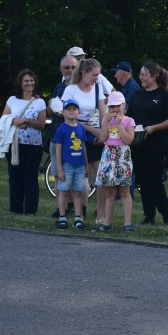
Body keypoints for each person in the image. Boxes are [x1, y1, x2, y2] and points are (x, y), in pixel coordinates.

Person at [128, 61, 168, 225]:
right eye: (141, 75)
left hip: (158, 144)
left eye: (144, 74)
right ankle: (148, 215)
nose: (141, 78)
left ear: (154, 76)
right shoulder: (137, 95)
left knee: (155, 179)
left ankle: (166, 214)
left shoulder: (164, 96)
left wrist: (154, 128)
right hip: (138, 144)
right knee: (143, 180)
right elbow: (129, 117)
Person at [62, 58, 107, 224]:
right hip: (76, 136)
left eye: (98, 75)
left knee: (101, 176)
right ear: (84, 73)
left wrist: (102, 133)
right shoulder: (71, 90)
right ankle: (79, 214)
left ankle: (100, 214)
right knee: (80, 176)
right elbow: (67, 116)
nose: (97, 78)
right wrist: (91, 129)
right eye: (94, 75)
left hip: (94, 137)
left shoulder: (98, 88)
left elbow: (103, 115)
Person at [2, 69, 47, 215]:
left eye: (32, 80)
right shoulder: (12, 100)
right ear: (20, 83)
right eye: (26, 81)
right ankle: (15, 209)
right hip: (15, 144)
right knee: (15, 177)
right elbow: (4, 119)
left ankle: (30, 210)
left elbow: (41, 125)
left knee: (31, 178)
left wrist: (27, 121)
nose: (29, 83)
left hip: (34, 146)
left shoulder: (40, 102)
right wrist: (16, 120)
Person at [95, 91, 135, 231]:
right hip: (108, 157)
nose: (115, 109)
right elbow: (102, 138)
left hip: (122, 157)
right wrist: (106, 122)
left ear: (123, 105)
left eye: (118, 106)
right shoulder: (106, 119)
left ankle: (127, 223)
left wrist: (119, 125)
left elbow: (129, 140)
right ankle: (107, 223)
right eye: (112, 106)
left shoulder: (129, 121)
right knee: (110, 192)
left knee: (125, 191)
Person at [47, 55, 78, 217]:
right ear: (61, 69)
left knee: (75, 172)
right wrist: (52, 104)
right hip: (57, 135)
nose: (70, 70)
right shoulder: (59, 87)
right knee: (58, 174)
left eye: (73, 67)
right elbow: (49, 111)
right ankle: (60, 208)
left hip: (75, 137)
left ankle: (74, 206)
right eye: (67, 67)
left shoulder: (81, 88)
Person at [52, 99, 87, 229]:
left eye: (74, 109)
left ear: (79, 112)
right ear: (63, 112)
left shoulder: (81, 128)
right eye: (68, 109)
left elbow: (83, 147)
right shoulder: (61, 129)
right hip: (67, 164)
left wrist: (86, 165)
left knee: (78, 191)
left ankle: (78, 218)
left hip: (80, 165)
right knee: (64, 191)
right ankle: (62, 217)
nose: (71, 111)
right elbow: (58, 150)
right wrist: (59, 168)